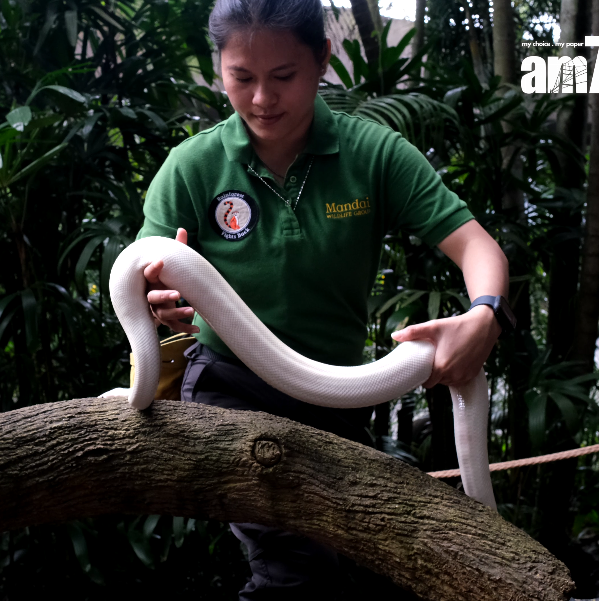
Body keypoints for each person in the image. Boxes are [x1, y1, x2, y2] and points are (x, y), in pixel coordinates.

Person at [135, 0, 511, 597]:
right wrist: (157, 298)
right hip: (226, 387)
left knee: (357, 560)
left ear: (320, 61)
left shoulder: (374, 154)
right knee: (291, 569)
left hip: (336, 392)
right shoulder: (192, 167)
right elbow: (141, 278)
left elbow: (478, 249)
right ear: (219, 68)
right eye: (242, 77)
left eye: (283, 76)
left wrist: (484, 313)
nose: (262, 99)